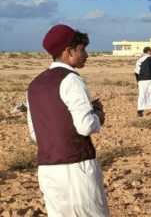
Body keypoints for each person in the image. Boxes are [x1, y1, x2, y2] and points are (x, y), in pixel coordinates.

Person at [26, 24, 109, 216]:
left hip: (47, 170)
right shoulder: (71, 79)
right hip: (76, 167)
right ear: (68, 52)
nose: (86, 55)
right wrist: (98, 115)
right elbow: (85, 126)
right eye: (82, 49)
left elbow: (35, 134)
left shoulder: (34, 84)